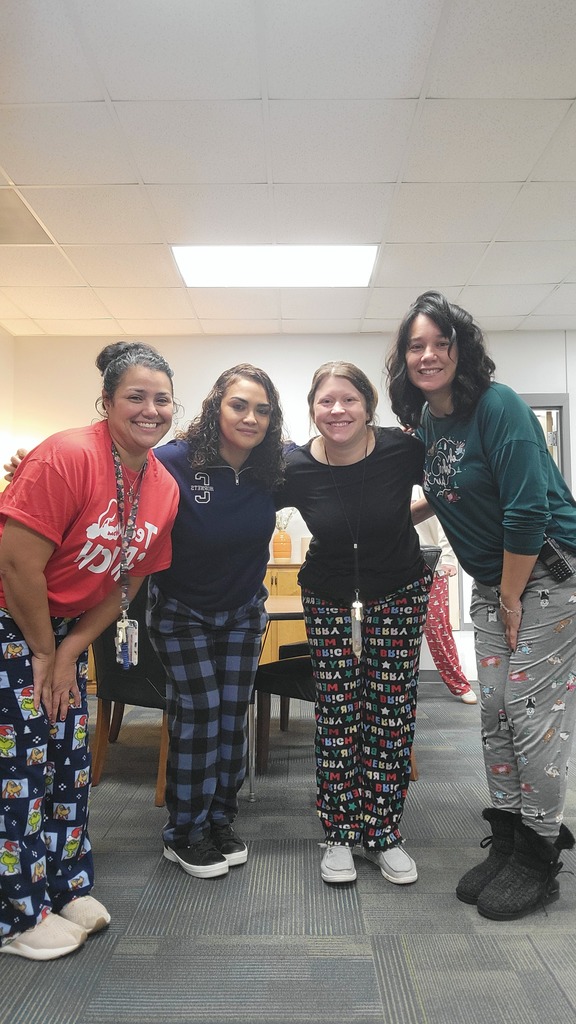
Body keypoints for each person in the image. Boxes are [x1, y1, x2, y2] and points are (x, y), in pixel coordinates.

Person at [387, 290, 576, 921]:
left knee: (530, 712)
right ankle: (510, 834)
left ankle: (541, 853)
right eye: (417, 345)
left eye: (441, 343)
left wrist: (511, 596)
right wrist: (391, 514)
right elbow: (451, 489)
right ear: (403, 357)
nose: (429, 355)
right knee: (494, 709)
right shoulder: (431, 420)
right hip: (500, 584)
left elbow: (527, 510)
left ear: (462, 351)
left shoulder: (499, 406)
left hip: (547, 574)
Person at [0, 342, 179, 960]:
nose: (150, 409)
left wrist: (71, 646)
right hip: (13, 624)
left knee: (67, 763)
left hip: (65, 633)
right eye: (135, 396)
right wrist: (43, 650)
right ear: (106, 402)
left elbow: (130, 580)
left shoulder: (161, 486)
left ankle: (63, 885)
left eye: (162, 399)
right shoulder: (67, 455)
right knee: (17, 773)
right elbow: (17, 564)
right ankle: (16, 914)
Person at [276, 362, 431, 886]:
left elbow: (453, 483)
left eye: (349, 400)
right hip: (328, 596)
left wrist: (401, 517)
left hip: (399, 591)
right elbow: (240, 500)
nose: (337, 410)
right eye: (325, 401)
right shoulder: (294, 465)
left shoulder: (401, 449)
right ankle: (340, 833)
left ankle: (383, 832)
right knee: (337, 715)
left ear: (368, 406)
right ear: (312, 409)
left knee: (390, 715)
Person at [147, 365, 285, 880]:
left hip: (243, 612)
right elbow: (112, 469)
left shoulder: (274, 468)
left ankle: (220, 819)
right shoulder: (175, 461)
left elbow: (334, 464)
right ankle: (184, 832)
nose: (251, 418)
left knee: (232, 714)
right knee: (200, 712)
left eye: (262, 410)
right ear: (216, 407)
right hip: (181, 612)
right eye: (239, 405)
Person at [412, 485, 476, 704]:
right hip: (392, 566)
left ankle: (459, 684)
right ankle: (403, 686)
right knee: (397, 630)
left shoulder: (425, 485)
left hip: (431, 563)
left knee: (436, 627)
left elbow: (444, 521)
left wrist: (447, 558)